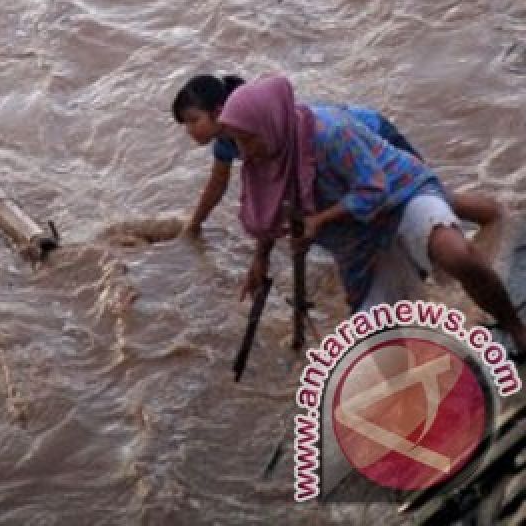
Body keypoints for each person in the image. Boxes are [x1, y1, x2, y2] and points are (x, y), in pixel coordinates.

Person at [217, 75, 526, 354]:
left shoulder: (330, 132)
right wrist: (261, 259)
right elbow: (271, 212)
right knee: (375, 344)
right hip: (354, 237)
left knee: (458, 254)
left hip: (400, 195)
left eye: (247, 139)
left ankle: (515, 327)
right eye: (237, 142)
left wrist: (319, 221)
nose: (243, 151)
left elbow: (374, 190)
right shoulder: (262, 159)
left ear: (268, 123)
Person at [171, 74, 505, 260]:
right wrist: (195, 225)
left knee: (418, 192)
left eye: (193, 120)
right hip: (333, 150)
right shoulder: (230, 142)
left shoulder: (250, 126)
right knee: (364, 214)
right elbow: (219, 186)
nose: (190, 131)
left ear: (218, 113)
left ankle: (495, 216)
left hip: (366, 132)